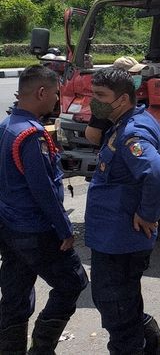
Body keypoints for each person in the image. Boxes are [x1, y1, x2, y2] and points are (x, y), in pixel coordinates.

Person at [85, 67, 160, 354]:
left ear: (122, 99)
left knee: (119, 317)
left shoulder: (131, 131)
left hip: (119, 240)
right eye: (93, 94)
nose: (93, 101)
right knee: (124, 306)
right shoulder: (127, 122)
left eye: (100, 96)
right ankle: (156, 348)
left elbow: (159, 174)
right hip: (113, 237)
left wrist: (148, 212)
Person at [0, 65, 89, 355]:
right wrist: (64, 229)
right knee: (73, 282)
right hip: (36, 230)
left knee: (15, 293)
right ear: (41, 92)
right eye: (55, 94)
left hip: (10, 228)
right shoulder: (31, 135)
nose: (56, 100)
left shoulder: (6, 127)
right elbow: (44, 191)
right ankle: (42, 348)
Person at [85, 56, 146, 147]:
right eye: (133, 73)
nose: (137, 76)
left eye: (138, 73)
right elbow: (92, 134)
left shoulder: (139, 97)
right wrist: (111, 148)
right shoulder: (107, 103)